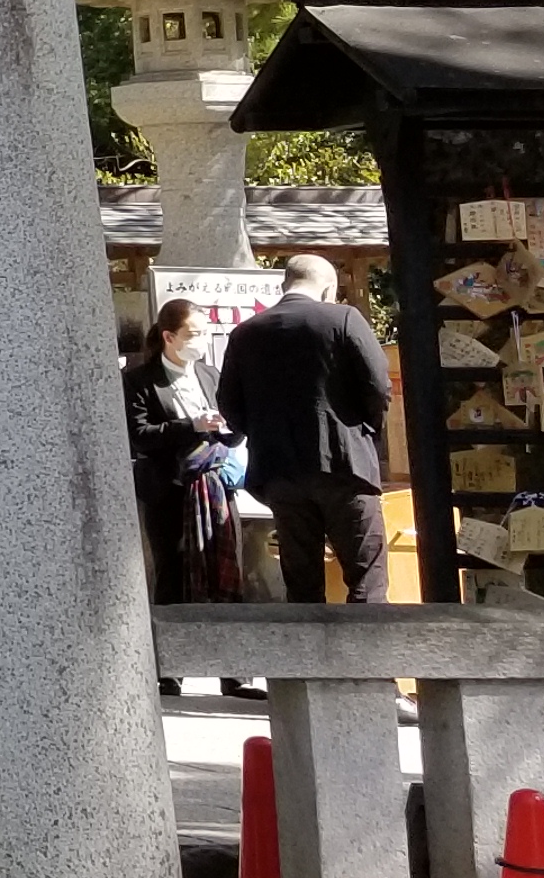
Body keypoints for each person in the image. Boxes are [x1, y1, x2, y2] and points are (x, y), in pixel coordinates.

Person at [215, 252, 397, 603]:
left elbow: (229, 405)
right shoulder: (343, 318)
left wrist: (264, 432)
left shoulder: (246, 333)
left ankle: (307, 652)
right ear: (328, 286)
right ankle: (371, 651)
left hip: (279, 470)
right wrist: (363, 431)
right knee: (366, 581)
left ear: (285, 284)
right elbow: (378, 386)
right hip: (346, 465)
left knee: (302, 585)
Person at [124, 299, 246, 672]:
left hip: (214, 487)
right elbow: (139, 435)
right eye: (194, 334)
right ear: (169, 337)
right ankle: (170, 669)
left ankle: (234, 672)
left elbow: (234, 429)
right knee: (172, 571)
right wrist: (190, 426)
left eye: (205, 333)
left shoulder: (208, 374)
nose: (201, 340)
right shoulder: (139, 380)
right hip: (168, 488)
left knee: (225, 570)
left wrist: (228, 428)